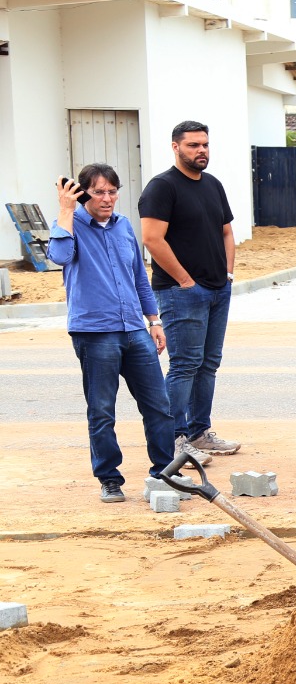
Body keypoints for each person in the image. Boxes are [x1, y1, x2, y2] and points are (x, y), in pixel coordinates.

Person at [48, 165, 176, 502]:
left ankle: (165, 473)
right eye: (98, 192)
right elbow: (59, 256)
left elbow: (138, 277)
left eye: (112, 191)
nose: (107, 199)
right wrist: (65, 210)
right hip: (94, 333)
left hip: (134, 329)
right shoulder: (69, 224)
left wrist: (154, 320)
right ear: (83, 194)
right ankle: (109, 479)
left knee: (159, 406)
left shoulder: (123, 227)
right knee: (102, 410)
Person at [139, 120, 239, 463]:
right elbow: (152, 239)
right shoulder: (162, 187)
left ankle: (199, 431)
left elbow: (227, 231)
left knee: (208, 363)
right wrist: (185, 281)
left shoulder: (212, 185)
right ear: (175, 147)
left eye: (205, 145)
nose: (201, 151)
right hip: (181, 293)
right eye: (193, 145)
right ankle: (174, 438)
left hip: (217, 290)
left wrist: (227, 274)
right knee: (184, 365)